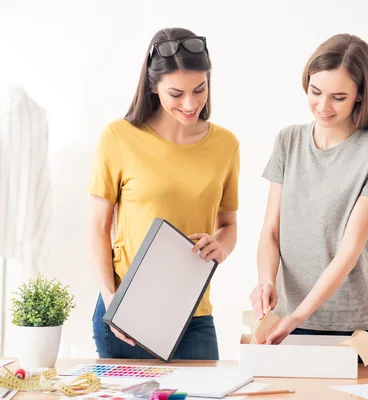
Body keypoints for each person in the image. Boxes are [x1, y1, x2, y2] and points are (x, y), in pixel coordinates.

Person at [87, 27, 239, 360]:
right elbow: (98, 228)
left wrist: (222, 246)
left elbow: (227, 225)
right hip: (128, 313)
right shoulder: (118, 136)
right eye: (176, 94)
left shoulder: (226, 144)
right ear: (153, 87)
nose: (190, 103)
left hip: (194, 315)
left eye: (199, 89)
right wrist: (111, 299)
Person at [249, 33, 368, 363]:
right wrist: (266, 283)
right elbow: (270, 232)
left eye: (339, 97)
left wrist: (298, 316)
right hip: (287, 324)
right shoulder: (288, 140)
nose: (323, 107)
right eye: (315, 92)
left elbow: (348, 253)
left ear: (360, 95)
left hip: (355, 328)